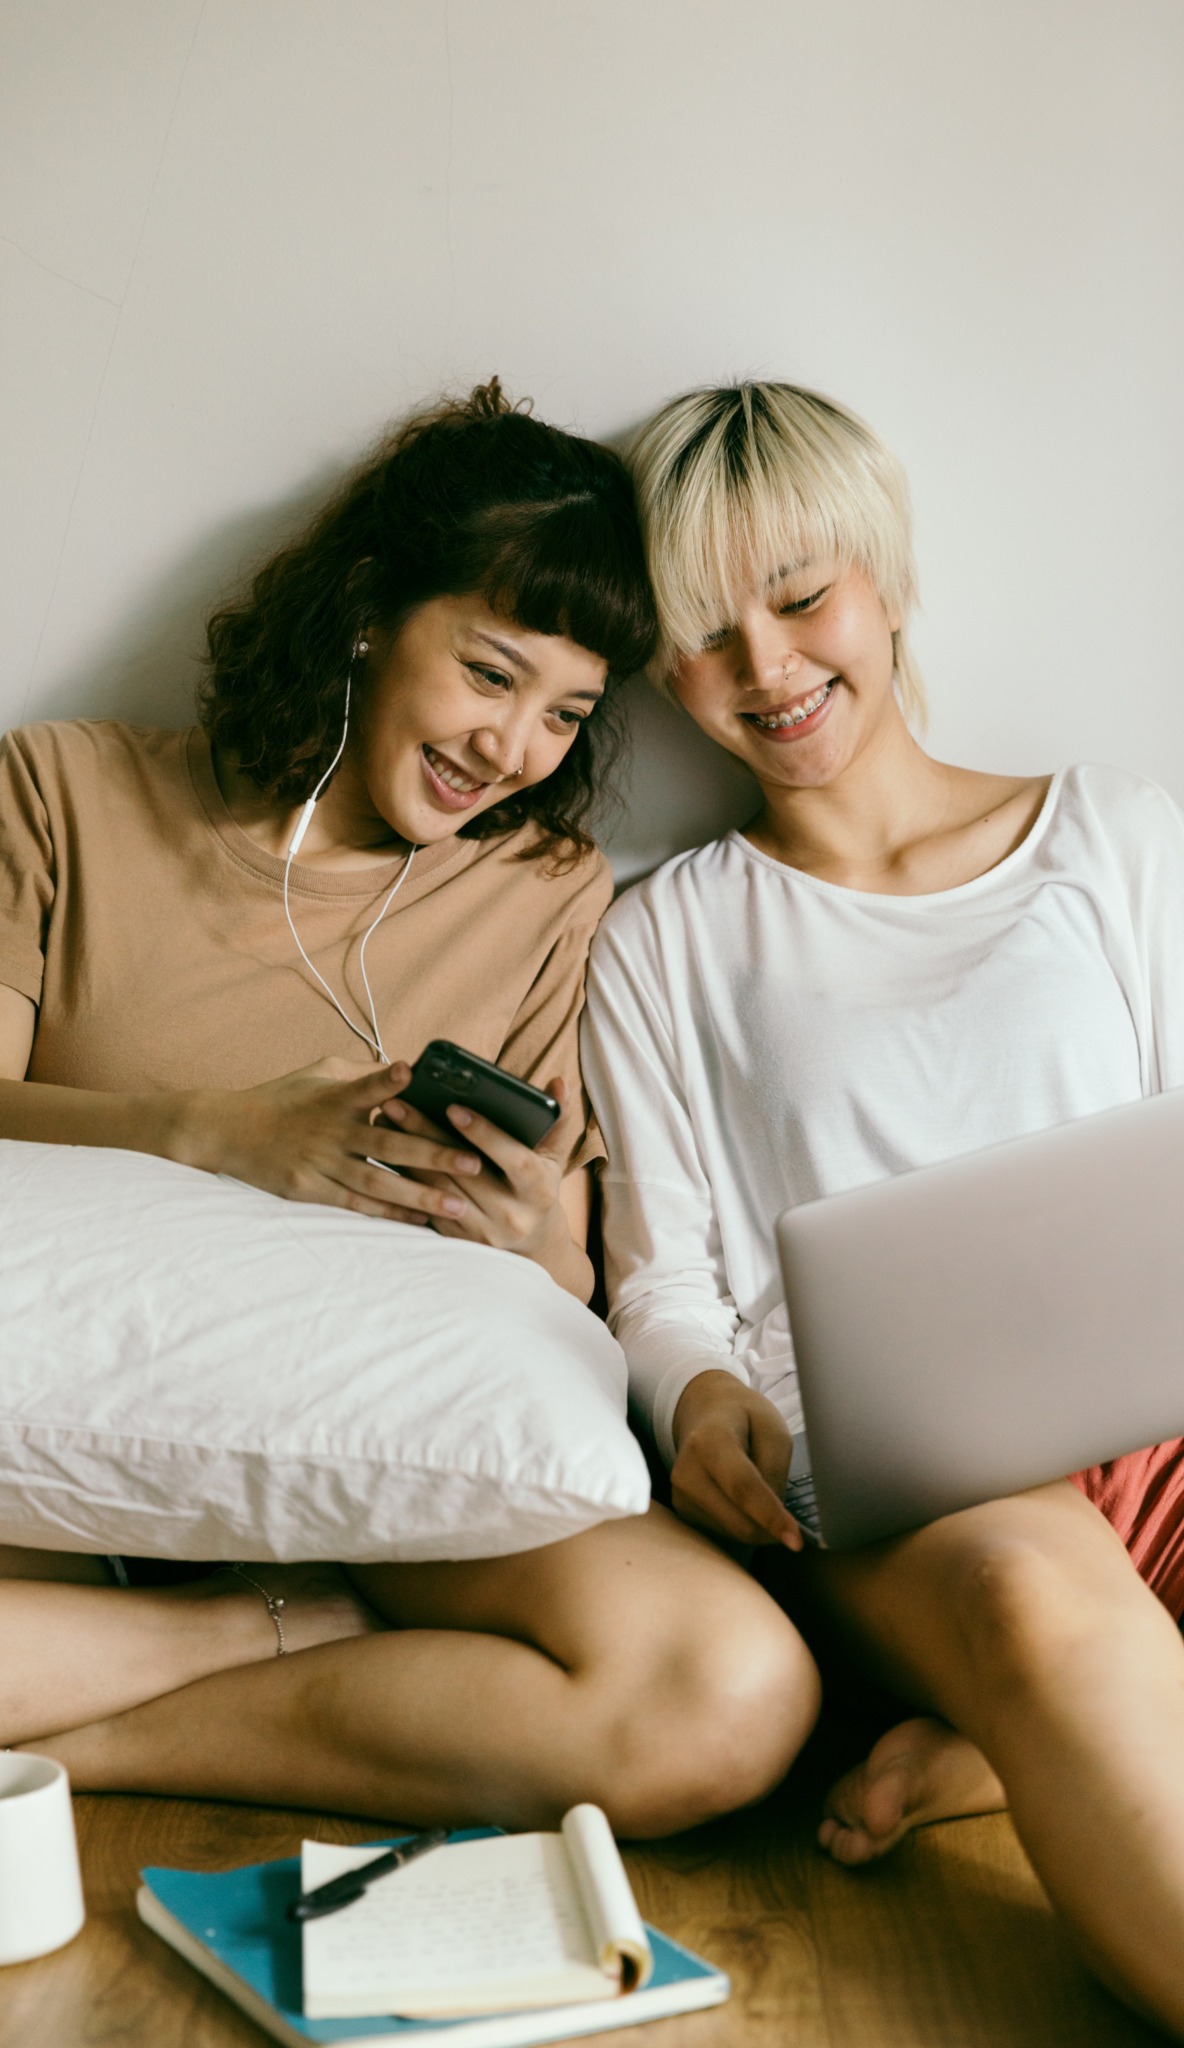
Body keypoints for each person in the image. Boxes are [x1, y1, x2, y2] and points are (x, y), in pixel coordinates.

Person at [581, 378, 1184, 2045]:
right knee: (1037, 1617)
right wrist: (700, 1399)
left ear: (881, 579)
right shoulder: (668, 935)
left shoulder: (1110, 830)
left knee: (1093, 1680)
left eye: (800, 600)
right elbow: (665, 1296)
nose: (771, 670)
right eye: (706, 635)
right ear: (661, 664)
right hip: (923, 1494)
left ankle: (1006, 1754)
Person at [0, 380, 818, 1836]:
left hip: (386, 1450)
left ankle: (87, 1749)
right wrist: (215, 1133)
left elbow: (573, 1282)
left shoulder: (538, 891)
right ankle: (258, 1632)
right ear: (373, 611)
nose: (513, 749)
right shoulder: (64, 793)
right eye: (490, 675)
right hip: (74, 1443)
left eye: (567, 712)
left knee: (728, 1688)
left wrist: (543, 1241)